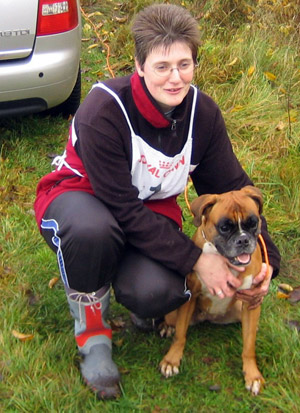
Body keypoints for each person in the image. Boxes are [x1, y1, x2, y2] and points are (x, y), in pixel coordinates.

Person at [34, 3, 280, 400]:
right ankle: (93, 334)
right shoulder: (104, 110)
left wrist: (269, 263)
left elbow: (235, 185)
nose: (175, 77)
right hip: (81, 200)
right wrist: (198, 258)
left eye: (184, 64)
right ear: (139, 64)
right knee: (94, 231)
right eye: (162, 65)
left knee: (157, 292)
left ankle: (134, 294)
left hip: (147, 212)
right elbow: (121, 209)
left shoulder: (203, 114)